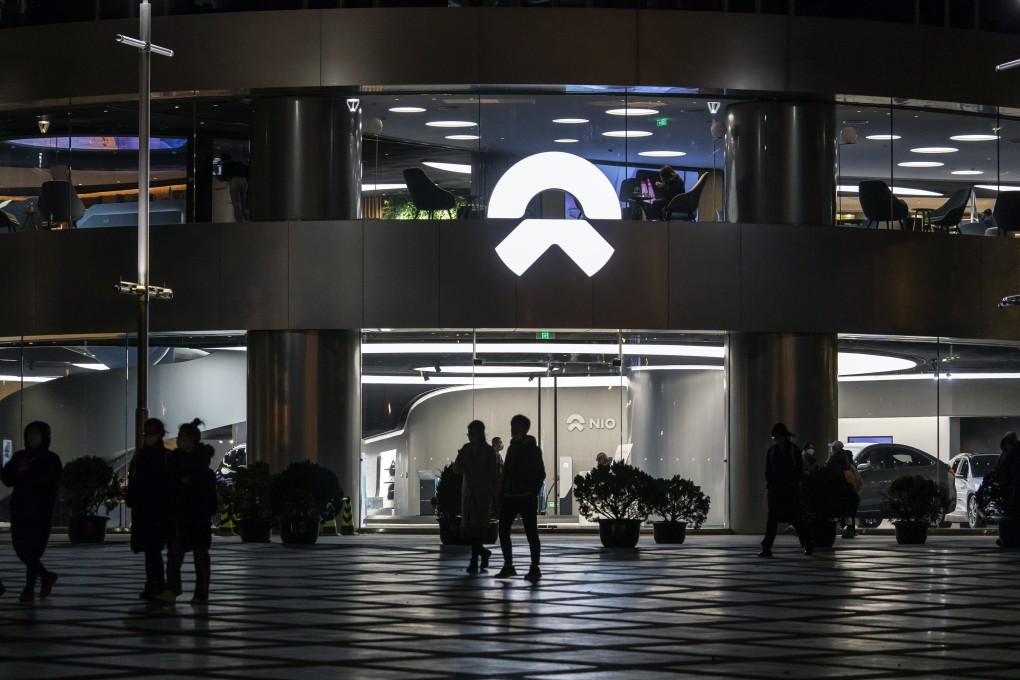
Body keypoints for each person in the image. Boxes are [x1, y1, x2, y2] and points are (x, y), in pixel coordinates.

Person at [156, 419, 217, 605]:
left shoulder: (201, 470)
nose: (179, 440)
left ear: (191, 440)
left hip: (196, 517)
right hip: (180, 517)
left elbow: (206, 495)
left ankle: (197, 593)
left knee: (197, 555)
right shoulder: (175, 464)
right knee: (176, 554)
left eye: (182, 437)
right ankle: (175, 589)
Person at [0, 421, 63, 603]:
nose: (33, 437)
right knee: (20, 549)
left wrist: (30, 470)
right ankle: (45, 576)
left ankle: (29, 589)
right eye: (30, 433)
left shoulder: (51, 459)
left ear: (44, 436)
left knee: (32, 551)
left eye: (37, 433)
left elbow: (51, 482)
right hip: (20, 510)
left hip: (41, 512)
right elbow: (8, 479)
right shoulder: (20, 455)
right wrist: (13, 470)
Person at [495, 414, 546, 581]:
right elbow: (507, 473)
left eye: (515, 426)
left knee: (529, 532)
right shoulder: (513, 448)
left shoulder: (530, 448)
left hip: (522, 496)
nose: (512, 429)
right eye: (512, 425)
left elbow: (540, 473)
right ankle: (513, 565)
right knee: (507, 530)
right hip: (513, 495)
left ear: (524, 428)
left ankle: (531, 566)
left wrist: (530, 491)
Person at [126, 418, 171, 600]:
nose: (149, 436)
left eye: (152, 433)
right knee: (150, 551)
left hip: (158, 510)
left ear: (160, 434)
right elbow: (134, 480)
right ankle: (154, 583)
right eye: (147, 433)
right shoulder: (141, 455)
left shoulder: (164, 456)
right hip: (144, 510)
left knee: (153, 550)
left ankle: (156, 584)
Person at [452, 420, 502, 574]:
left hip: (482, 495)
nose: (470, 437)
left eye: (472, 434)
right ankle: (483, 553)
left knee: (477, 529)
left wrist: (494, 496)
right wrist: (459, 460)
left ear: (480, 434)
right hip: (468, 494)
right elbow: (457, 470)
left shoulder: (488, 452)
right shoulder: (466, 449)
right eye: (469, 434)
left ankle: (474, 561)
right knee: (468, 530)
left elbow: (493, 474)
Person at [758, 422, 813, 557]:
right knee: (774, 520)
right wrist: (771, 485)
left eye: (777, 436)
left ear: (783, 436)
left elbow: (799, 471)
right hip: (776, 492)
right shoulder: (773, 451)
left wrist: (793, 485)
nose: (776, 439)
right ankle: (767, 548)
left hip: (789, 491)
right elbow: (768, 471)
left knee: (795, 519)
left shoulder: (792, 450)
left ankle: (807, 544)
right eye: (774, 437)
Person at [825, 440, 861, 538]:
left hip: (838, 487)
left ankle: (843, 528)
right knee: (847, 511)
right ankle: (850, 529)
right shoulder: (845, 457)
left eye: (832, 448)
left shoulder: (834, 458)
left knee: (839, 509)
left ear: (835, 449)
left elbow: (827, 468)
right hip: (846, 488)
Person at [219, 152, 249, 222]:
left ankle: (239, 221)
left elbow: (223, 177)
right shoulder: (239, 163)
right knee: (243, 201)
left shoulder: (225, 164)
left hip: (235, 181)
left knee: (237, 202)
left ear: (223, 159)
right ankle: (248, 218)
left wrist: (220, 178)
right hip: (244, 181)